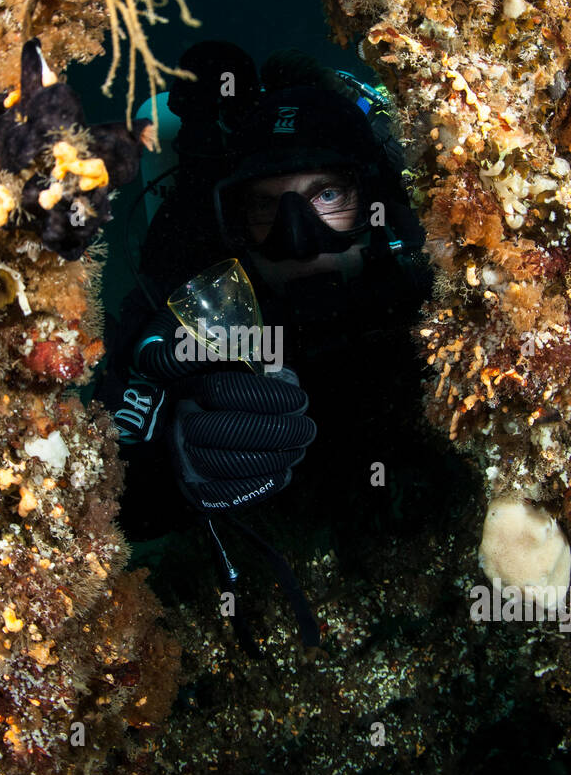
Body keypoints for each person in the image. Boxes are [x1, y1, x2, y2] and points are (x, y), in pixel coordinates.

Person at [97, 43, 433, 644]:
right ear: (232, 223)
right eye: (264, 208)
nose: (297, 239)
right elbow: (116, 471)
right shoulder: (203, 308)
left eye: (328, 196)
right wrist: (172, 451)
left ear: (374, 202)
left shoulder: (428, 282)